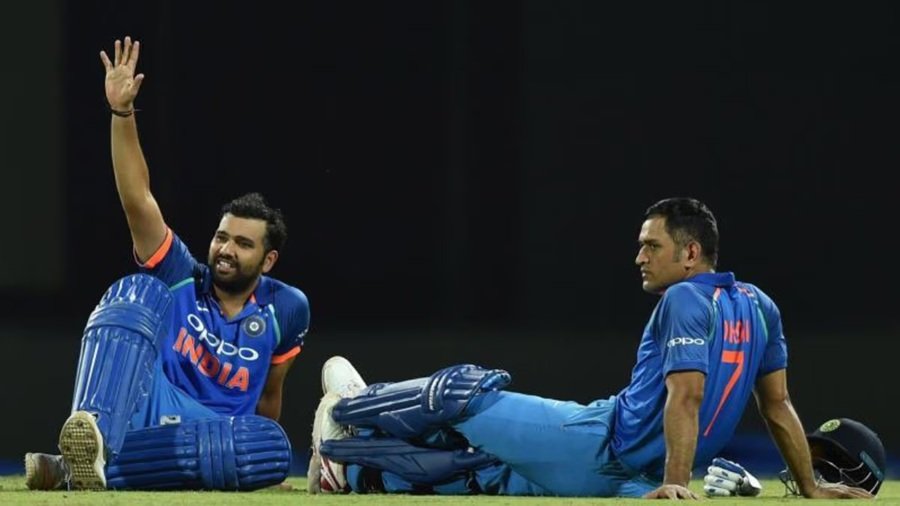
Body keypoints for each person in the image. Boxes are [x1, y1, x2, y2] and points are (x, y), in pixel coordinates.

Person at [307, 197, 874, 499]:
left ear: (690, 253)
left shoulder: (684, 298)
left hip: (602, 444)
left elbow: (686, 397)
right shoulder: (760, 304)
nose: (639, 257)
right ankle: (348, 476)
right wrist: (810, 488)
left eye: (652, 245)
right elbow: (778, 405)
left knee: (465, 392)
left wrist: (678, 484)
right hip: (635, 480)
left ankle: (349, 409)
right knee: (489, 473)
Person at [24, 36, 309, 491]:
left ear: (268, 260)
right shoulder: (181, 274)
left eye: (242, 244)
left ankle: (74, 468)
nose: (225, 250)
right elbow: (138, 200)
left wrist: (257, 459)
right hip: (150, 408)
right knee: (135, 290)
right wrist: (121, 113)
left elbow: (269, 395)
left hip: (215, 437)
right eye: (221, 237)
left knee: (272, 448)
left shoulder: (288, 308)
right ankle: (93, 432)